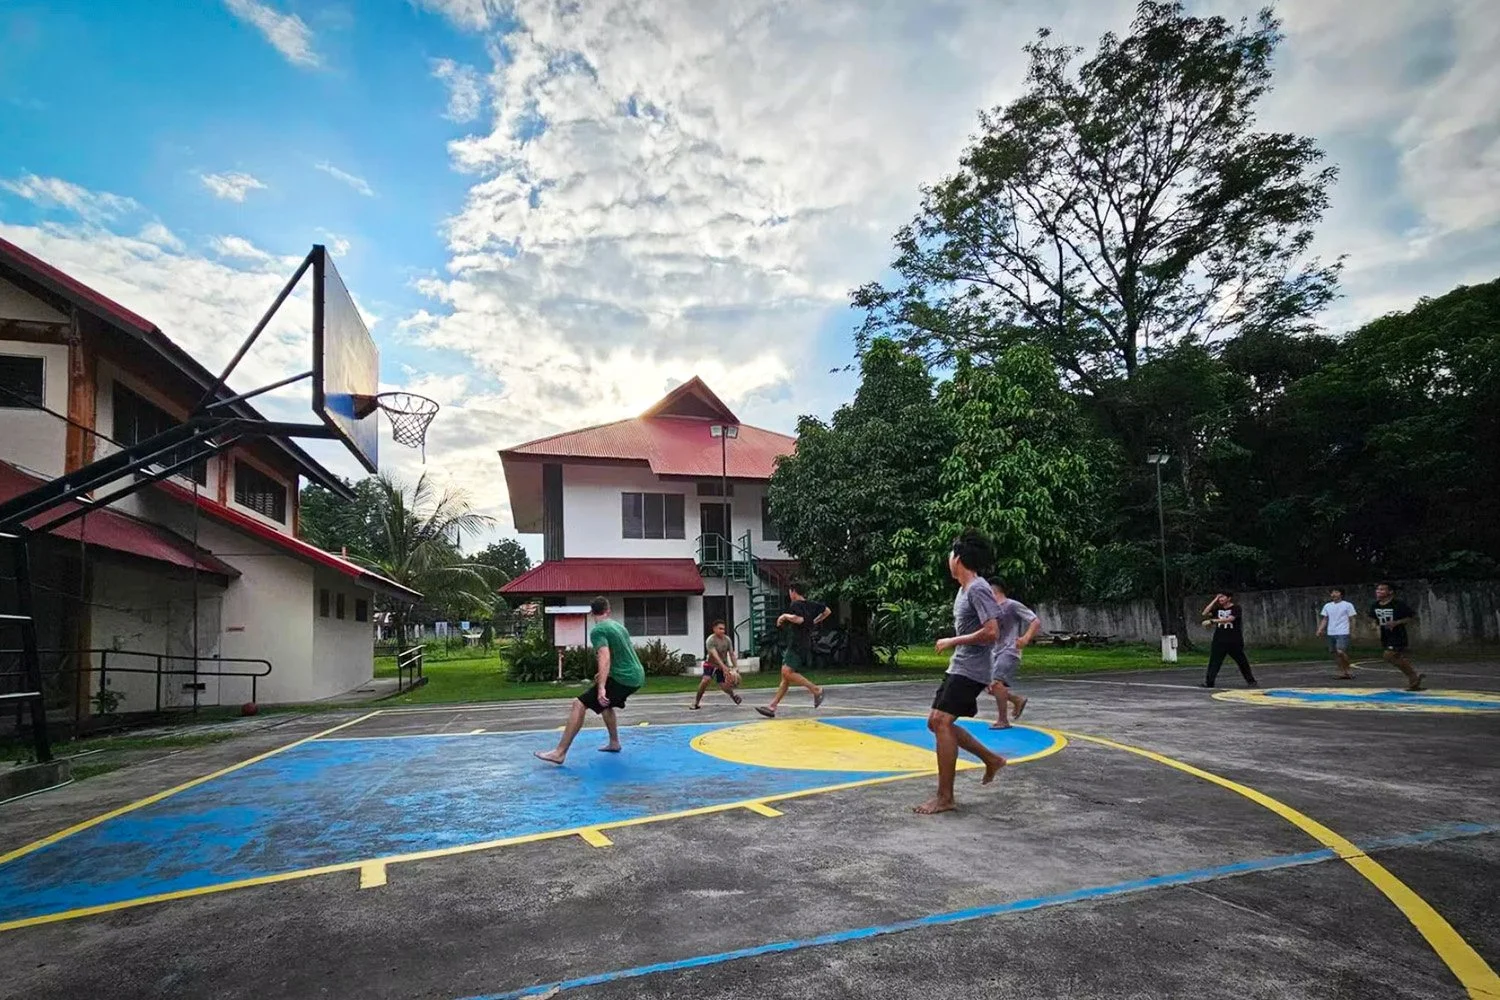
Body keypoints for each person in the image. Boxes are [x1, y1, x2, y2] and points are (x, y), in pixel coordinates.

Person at [915, 529, 1010, 816]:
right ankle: (991, 759)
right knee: (935, 722)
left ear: (958, 559)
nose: (948, 559)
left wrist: (952, 640)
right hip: (961, 664)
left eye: (950, 554)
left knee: (942, 722)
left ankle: (945, 797)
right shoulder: (964, 589)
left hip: (972, 668)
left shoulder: (978, 588)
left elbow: (992, 632)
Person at [534, 596, 645, 764]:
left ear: (592, 612)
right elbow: (620, 654)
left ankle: (559, 753)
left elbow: (605, 655)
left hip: (624, 677)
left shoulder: (598, 630)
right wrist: (603, 676)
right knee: (606, 704)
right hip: (636, 675)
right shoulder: (618, 627)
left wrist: (601, 686)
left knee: (579, 704)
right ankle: (614, 743)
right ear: (608, 610)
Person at [755, 581, 829, 718]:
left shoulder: (795, 605)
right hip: (803, 643)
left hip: (797, 643)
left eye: (790, 592)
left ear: (793, 592)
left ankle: (816, 690)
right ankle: (772, 706)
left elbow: (799, 619)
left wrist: (785, 616)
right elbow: (827, 611)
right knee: (786, 677)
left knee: (786, 672)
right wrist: (814, 621)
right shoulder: (812, 605)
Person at [987, 580, 1042, 729]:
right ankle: (1017, 700)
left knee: (997, 683)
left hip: (1010, 650)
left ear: (993, 591)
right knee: (989, 686)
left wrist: (1025, 638)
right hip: (995, 651)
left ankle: (1003, 720)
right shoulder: (991, 610)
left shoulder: (1012, 605)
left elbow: (1035, 621)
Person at [1370, 582, 1425, 691]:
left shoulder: (1397, 604)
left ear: (1390, 592)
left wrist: (1397, 622)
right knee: (1394, 658)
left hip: (1398, 635)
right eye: (1378, 589)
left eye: (1382, 589)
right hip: (1385, 635)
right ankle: (1414, 678)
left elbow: (1411, 616)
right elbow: (1373, 618)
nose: (1378, 592)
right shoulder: (1375, 605)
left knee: (1389, 655)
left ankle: (1413, 675)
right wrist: (1374, 625)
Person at [1199, 591, 1257, 688]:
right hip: (1219, 640)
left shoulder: (1236, 608)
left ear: (1229, 598)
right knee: (1214, 662)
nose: (1221, 599)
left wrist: (1213, 621)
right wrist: (1214, 600)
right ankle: (1209, 682)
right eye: (1219, 597)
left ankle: (1251, 681)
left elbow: (1230, 619)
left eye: (1223, 597)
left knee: (1242, 661)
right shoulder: (1217, 609)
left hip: (1234, 640)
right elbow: (1204, 613)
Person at [692, 620, 743, 709]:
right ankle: (696, 702)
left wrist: (735, 667)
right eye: (720, 629)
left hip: (722, 664)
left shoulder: (727, 640)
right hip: (711, 664)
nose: (722, 631)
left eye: (723, 629)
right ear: (714, 629)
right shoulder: (710, 640)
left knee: (723, 685)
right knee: (705, 681)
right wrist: (724, 667)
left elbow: (731, 654)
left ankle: (733, 695)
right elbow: (715, 655)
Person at [1316, 587, 1359, 680]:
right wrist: (1320, 629)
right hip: (1331, 632)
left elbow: (1352, 619)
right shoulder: (1327, 606)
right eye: (1332, 593)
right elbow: (1325, 619)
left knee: (1341, 651)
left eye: (1336, 592)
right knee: (1335, 653)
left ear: (1341, 594)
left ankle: (1348, 669)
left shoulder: (1347, 605)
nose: (1333, 594)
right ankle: (1342, 671)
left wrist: (1353, 631)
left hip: (1343, 631)